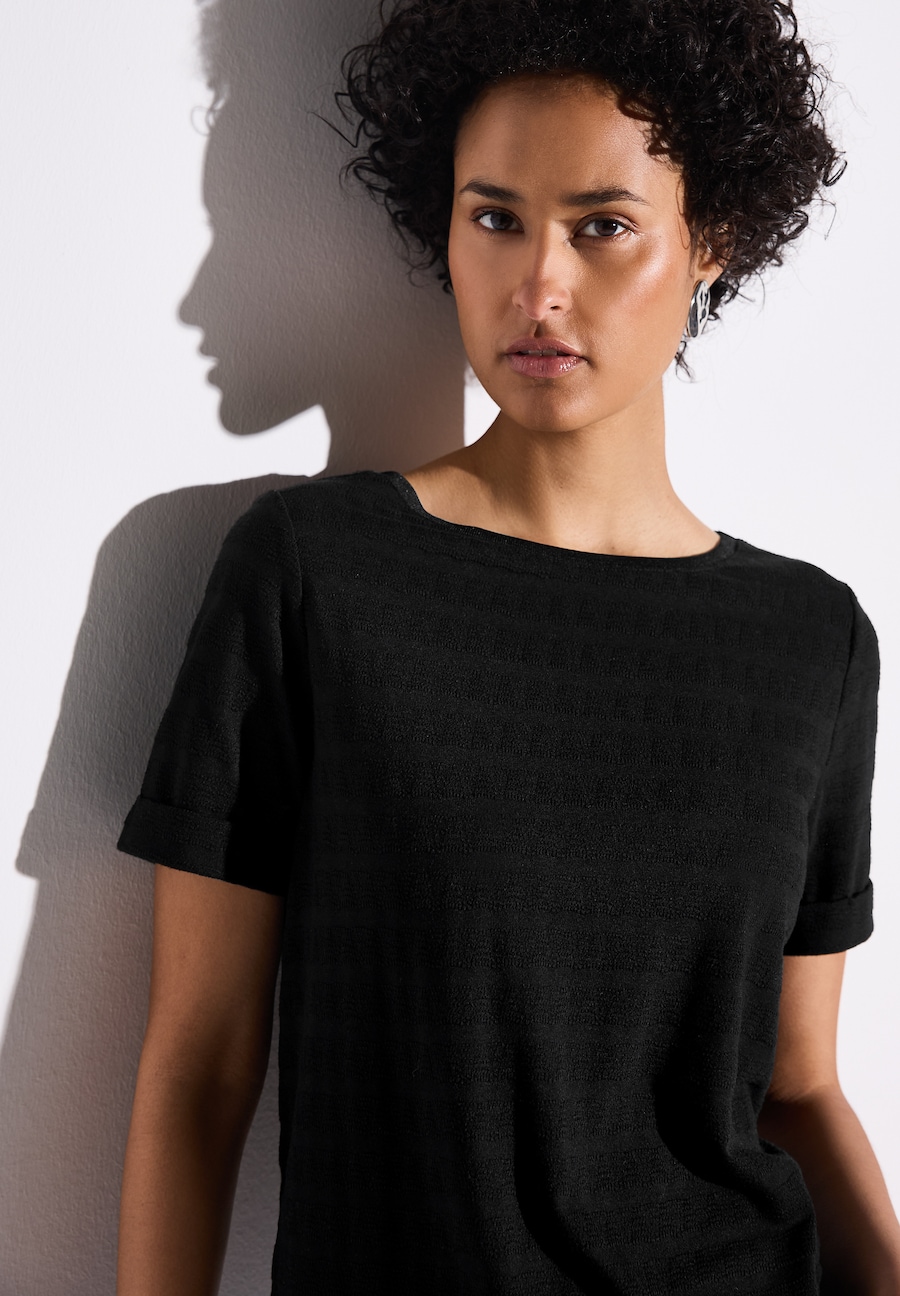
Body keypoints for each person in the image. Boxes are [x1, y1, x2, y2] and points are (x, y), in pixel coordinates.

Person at [115, 1, 900, 1293]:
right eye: (495, 219)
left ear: (713, 240)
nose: (539, 287)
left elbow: (800, 1090)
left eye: (602, 226)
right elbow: (199, 1062)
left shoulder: (815, 644)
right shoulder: (314, 576)